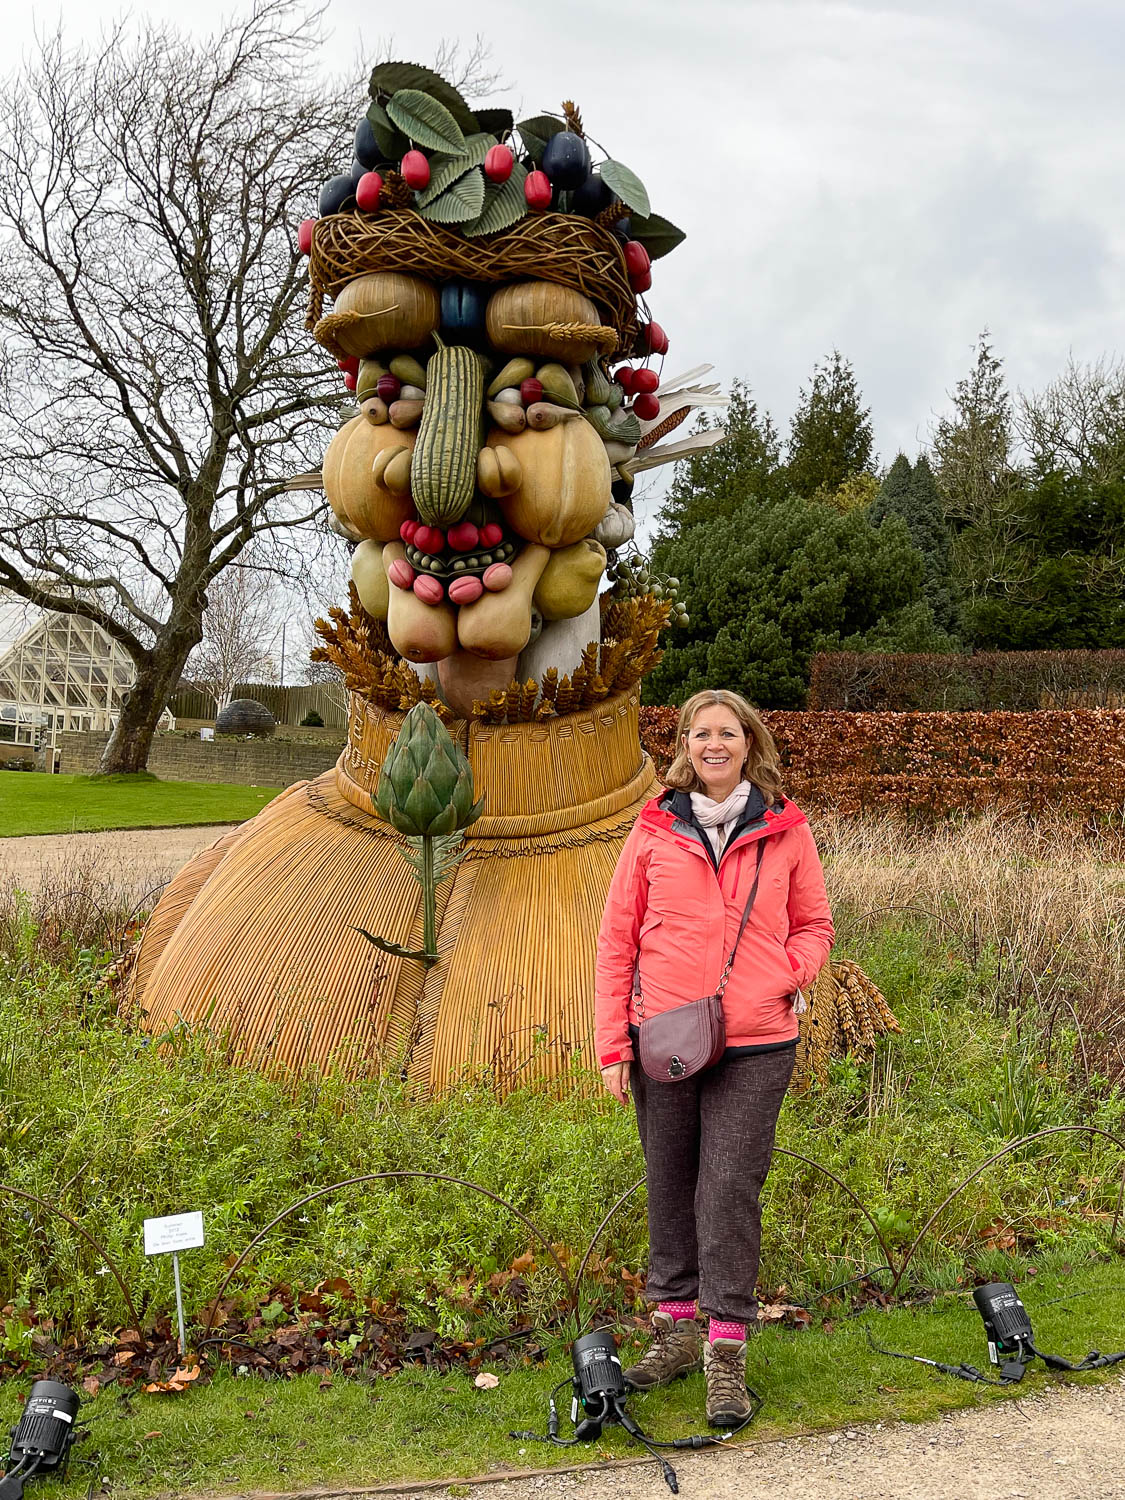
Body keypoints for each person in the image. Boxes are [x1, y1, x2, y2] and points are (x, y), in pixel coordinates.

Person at [595, 688, 834, 1426]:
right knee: (670, 1184)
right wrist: (612, 1043)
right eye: (700, 734)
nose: (713, 745)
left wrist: (784, 976)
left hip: (757, 1043)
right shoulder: (653, 828)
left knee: (727, 1188)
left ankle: (724, 1352)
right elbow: (616, 940)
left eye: (726, 733)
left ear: (747, 742)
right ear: (686, 747)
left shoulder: (785, 829)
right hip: (662, 1038)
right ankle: (671, 1333)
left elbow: (814, 924)